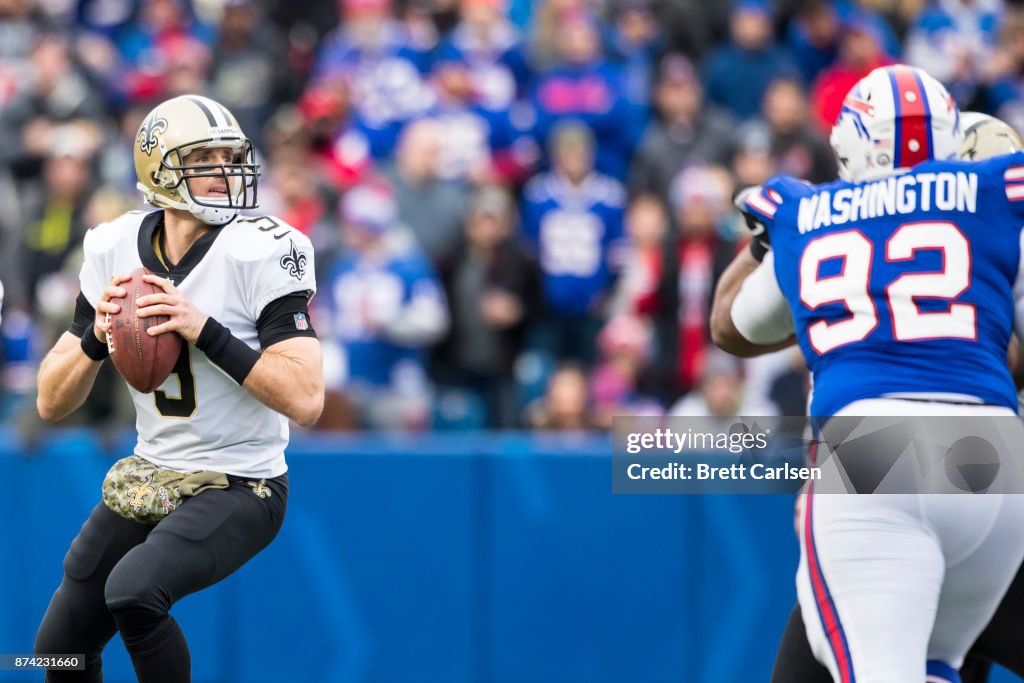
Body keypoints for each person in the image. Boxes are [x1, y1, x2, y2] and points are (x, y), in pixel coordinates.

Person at [712, 65, 1024, 682]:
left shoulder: (809, 215)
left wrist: (762, 242)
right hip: (992, 454)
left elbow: (728, 325)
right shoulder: (994, 194)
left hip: (869, 454)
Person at [33, 94, 323, 682]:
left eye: (230, 156)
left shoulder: (263, 249)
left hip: (243, 482)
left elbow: (306, 399)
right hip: (154, 469)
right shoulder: (112, 245)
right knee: (58, 645)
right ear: (157, 169)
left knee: (136, 592)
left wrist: (204, 330)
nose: (224, 171)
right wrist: (96, 334)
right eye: (205, 157)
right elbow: (50, 401)